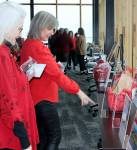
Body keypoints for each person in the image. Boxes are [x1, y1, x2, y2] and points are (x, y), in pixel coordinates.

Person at [20, 11, 95, 150]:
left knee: (43, 136)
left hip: (36, 96)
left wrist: (52, 65)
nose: (52, 32)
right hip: (42, 98)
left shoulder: (28, 44)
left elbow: (36, 68)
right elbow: (57, 76)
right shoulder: (37, 47)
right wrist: (78, 91)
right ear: (40, 26)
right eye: (50, 28)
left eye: (53, 29)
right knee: (54, 135)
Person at [0, 1, 39, 150]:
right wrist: (24, 141)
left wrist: (22, 76)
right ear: (7, 27)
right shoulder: (2, 55)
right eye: (19, 29)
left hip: (15, 127)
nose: (20, 34)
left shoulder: (5, 51)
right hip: (12, 134)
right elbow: (7, 100)